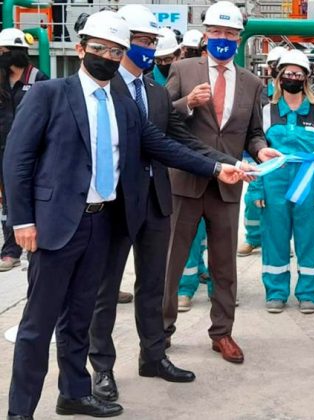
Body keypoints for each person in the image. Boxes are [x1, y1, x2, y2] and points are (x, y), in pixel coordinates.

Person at [4, 10, 246, 419]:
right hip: (56, 225)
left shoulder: (123, 102)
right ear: (81, 48)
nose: (107, 56)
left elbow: (162, 144)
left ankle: (74, 393)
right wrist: (22, 221)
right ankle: (20, 412)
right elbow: (17, 159)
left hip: (102, 222)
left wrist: (216, 166)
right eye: (99, 48)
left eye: (115, 51)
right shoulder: (50, 94)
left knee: (80, 317)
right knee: (38, 324)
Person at [87, 4, 249, 405]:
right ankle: (102, 368)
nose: (145, 49)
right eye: (139, 41)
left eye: (150, 42)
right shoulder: (104, 87)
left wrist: (221, 166)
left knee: (153, 282)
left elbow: (179, 141)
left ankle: (153, 355)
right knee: (106, 290)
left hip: (157, 199)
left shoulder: (155, 93)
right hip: (112, 202)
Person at [162, 1, 280, 364]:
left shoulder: (251, 82)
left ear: (239, 37)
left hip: (228, 185)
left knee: (224, 265)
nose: (223, 39)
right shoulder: (183, 69)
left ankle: (222, 333)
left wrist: (260, 152)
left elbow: (254, 134)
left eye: (231, 33)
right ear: (206, 33)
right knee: (172, 261)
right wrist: (186, 103)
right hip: (186, 181)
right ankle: (160, 332)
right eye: (217, 32)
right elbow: (159, 117)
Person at [252, 50, 314, 314]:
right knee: (274, 238)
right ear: (279, 78)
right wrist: (256, 186)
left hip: (308, 181)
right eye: (288, 73)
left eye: (298, 74)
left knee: (309, 239)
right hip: (274, 181)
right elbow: (254, 151)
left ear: (306, 78)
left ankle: (309, 293)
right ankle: (276, 292)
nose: (293, 78)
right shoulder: (267, 112)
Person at [0, 28, 48, 272]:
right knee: (8, 202)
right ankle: (10, 251)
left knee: (31, 198)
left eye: (4, 52)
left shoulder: (39, 79)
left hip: (32, 152)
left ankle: (34, 249)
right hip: (3, 149)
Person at [237, 45, 289, 258]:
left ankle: (279, 239)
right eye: (274, 66)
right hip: (259, 153)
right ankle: (253, 238)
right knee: (253, 199)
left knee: (282, 202)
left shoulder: (291, 95)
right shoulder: (259, 91)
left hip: (283, 156)